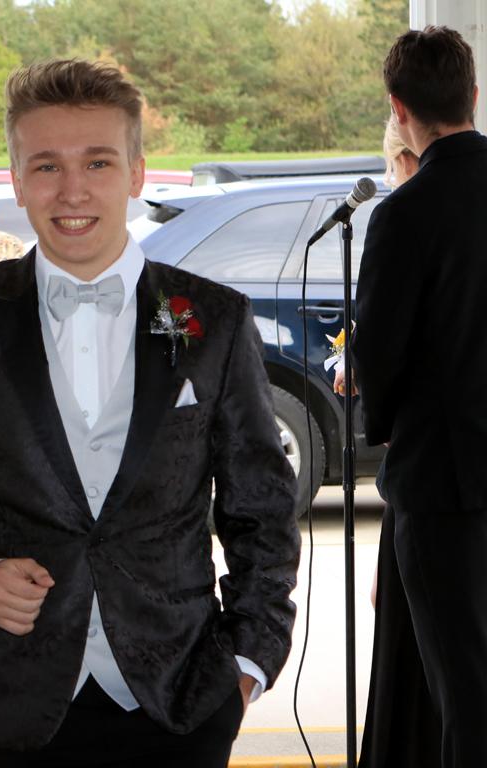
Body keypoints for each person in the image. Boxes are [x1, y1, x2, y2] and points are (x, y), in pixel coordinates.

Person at [0, 59, 301, 767]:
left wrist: (248, 661)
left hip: (182, 698)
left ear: (136, 173)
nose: (73, 190)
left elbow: (261, 508)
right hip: (8, 701)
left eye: (97, 162)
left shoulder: (212, 318)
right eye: (47, 166)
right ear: (17, 179)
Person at [350, 26, 487, 767]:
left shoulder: (405, 212)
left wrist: (380, 423)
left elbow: (380, 354)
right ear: (474, 96)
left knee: (466, 697)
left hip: (445, 487)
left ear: (399, 110)